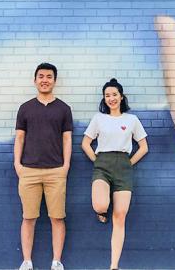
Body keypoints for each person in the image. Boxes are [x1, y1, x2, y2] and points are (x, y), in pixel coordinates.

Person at [81, 78, 149, 270]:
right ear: (104, 99)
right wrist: (97, 160)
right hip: (102, 163)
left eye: (114, 95)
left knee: (120, 216)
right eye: (107, 95)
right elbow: (85, 143)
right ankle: (101, 212)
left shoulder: (131, 120)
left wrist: (129, 162)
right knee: (100, 204)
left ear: (121, 97)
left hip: (123, 167)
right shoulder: (99, 118)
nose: (111, 98)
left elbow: (143, 147)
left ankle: (114, 265)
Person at [15, 62, 73, 270]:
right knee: (28, 217)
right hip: (29, 171)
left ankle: (56, 262)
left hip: (56, 172)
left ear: (54, 81)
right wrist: (18, 165)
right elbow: (20, 139)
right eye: (41, 76)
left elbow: (67, 140)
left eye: (49, 76)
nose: (45, 80)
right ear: (35, 80)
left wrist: (65, 166)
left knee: (57, 217)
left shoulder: (64, 109)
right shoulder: (25, 108)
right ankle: (27, 262)